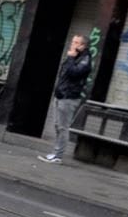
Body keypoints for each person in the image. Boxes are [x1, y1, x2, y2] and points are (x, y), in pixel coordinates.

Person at [39, 34, 94, 163]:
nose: (72, 44)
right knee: (57, 125)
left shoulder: (85, 60)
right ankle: (55, 152)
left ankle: (58, 155)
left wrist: (70, 58)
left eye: (76, 42)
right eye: (72, 41)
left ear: (83, 45)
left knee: (63, 127)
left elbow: (73, 73)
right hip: (61, 94)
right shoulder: (76, 57)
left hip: (69, 97)